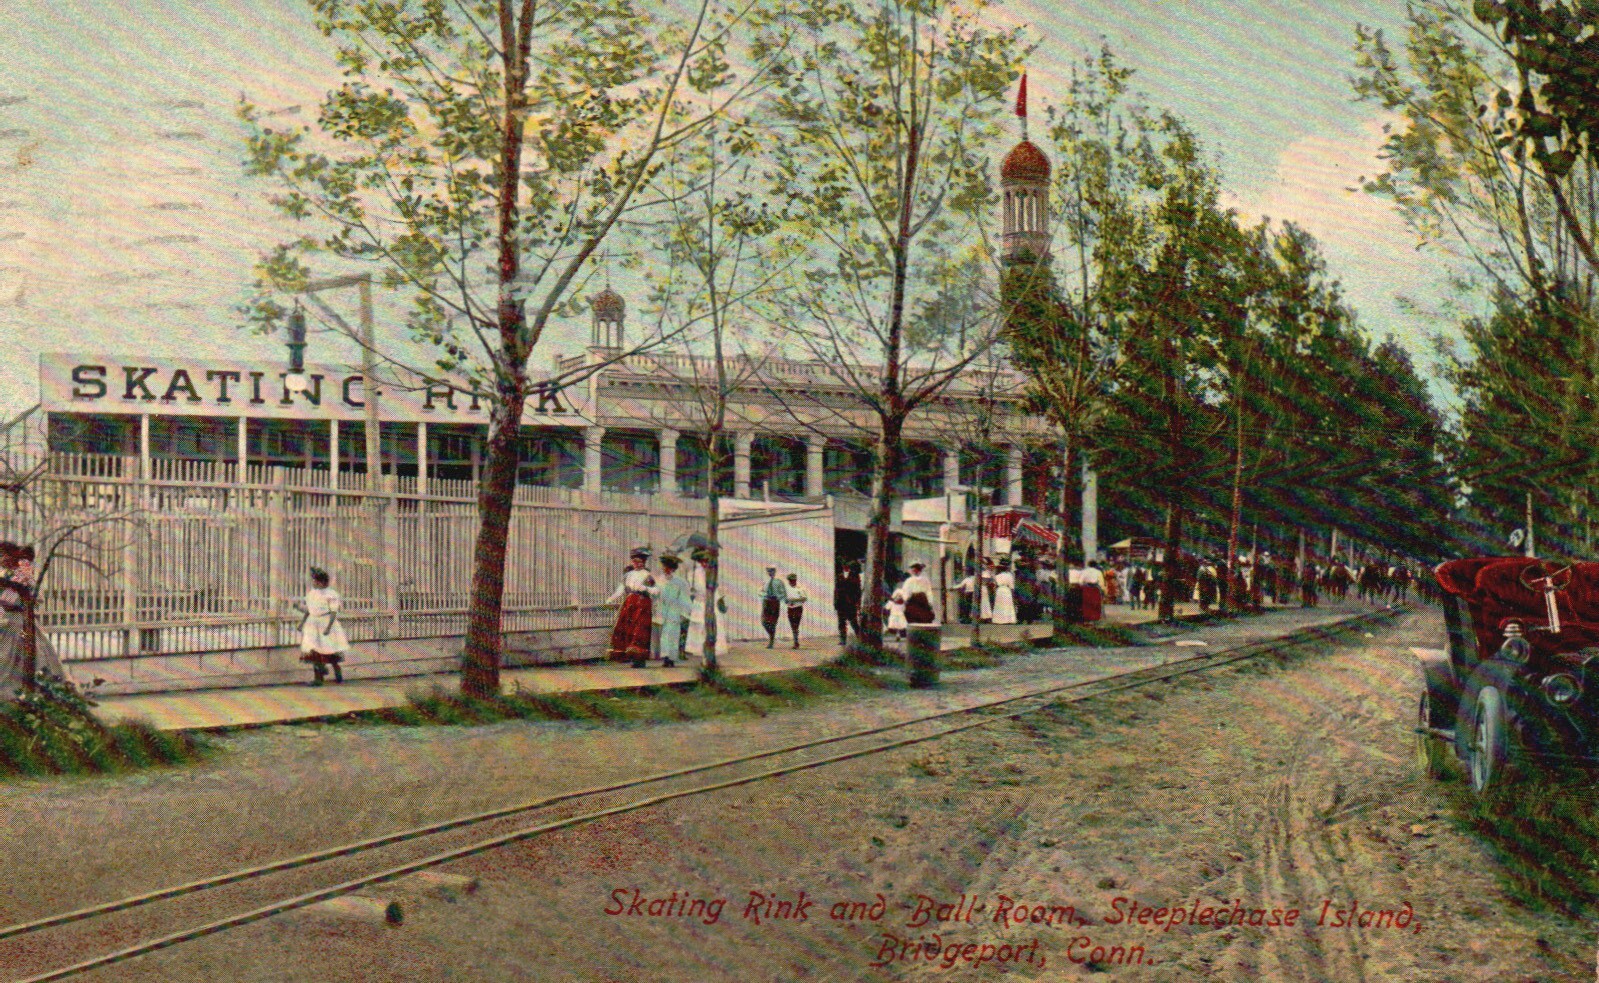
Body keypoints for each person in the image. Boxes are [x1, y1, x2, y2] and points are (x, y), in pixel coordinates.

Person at [0, 542, 66, 695]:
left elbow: (31, 597)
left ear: (12, 556)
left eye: (4, 555)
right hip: (5, 618)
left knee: (28, 655)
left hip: (22, 620)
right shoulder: (4, 575)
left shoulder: (21, 575)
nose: (1, 559)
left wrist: (11, 595)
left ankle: (28, 691)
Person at [297, 567, 349, 685]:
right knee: (313, 650)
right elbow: (309, 610)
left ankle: (337, 671)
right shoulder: (311, 594)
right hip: (313, 623)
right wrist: (302, 623)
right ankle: (318, 678)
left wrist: (328, 628)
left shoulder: (331, 594)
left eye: (316, 581)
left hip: (325, 623)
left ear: (323, 582)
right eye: (313, 581)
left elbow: (333, 612)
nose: (314, 583)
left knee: (329, 650)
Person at [607, 548, 655, 667]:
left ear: (644, 562)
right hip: (630, 603)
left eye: (640, 562)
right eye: (635, 562)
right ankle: (630, 658)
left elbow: (656, 591)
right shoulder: (628, 575)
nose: (637, 564)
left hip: (643, 604)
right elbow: (621, 589)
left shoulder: (648, 576)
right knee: (627, 628)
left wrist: (646, 589)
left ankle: (640, 659)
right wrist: (611, 598)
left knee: (640, 630)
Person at [654, 555, 693, 667]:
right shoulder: (659, 580)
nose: (666, 570)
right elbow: (656, 594)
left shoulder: (680, 582)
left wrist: (684, 612)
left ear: (673, 569)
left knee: (672, 633)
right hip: (663, 608)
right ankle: (665, 657)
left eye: (668, 568)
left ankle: (671, 658)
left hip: (674, 609)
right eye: (664, 567)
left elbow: (685, 597)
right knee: (663, 635)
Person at [899, 561, 938, 627]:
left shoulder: (918, 580)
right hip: (916, 600)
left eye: (916, 570)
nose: (914, 571)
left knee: (919, 618)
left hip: (918, 600)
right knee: (916, 618)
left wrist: (930, 602)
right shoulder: (911, 580)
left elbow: (928, 591)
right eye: (913, 570)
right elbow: (928, 592)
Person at [835, 560, 862, 646]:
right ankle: (843, 639)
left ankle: (860, 637)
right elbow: (836, 590)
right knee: (841, 622)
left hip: (850, 603)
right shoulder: (839, 576)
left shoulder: (855, 576)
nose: (845, 568)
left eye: (847, 566)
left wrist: (856, 601)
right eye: (844, 566)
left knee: (853, 621)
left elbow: (858, 590)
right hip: (841, 603)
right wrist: (835, 602)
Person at [759, 565, 785, 649]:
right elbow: (761, 591)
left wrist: (778, 597)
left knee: (773, 622)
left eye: (772, 571)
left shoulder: (779, 582)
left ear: (774, 572)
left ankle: (771, 641)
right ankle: (771, 636)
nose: (770, 573)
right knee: (764, 621)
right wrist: (764, 595)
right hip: (766, 601)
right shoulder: (766, 582)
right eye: (769, 571)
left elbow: (783, 593)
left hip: (774, 602)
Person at [991, 558, 1018, 625]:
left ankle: (999, 619)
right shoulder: (1009, 575)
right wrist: (1012, 592)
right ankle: (1008, 619)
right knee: (1007, 604)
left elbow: (995, 584)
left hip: (999, 590)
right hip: (1006, 590)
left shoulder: (997, 576)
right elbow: (1011, 586)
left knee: (999, 604)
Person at [784, 573, 807, 649]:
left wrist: (795, 600)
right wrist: (787, 601)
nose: (791, 582)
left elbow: (804, 598)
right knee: (792, 625)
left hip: (797, 608)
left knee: (796, 624)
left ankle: (796, 642)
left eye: (793, 580)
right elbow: (785, 598)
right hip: (790, 608)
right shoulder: (786, 588)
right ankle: (795, 641)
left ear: (795, 580)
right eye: (790, 581)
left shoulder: (800, 588)